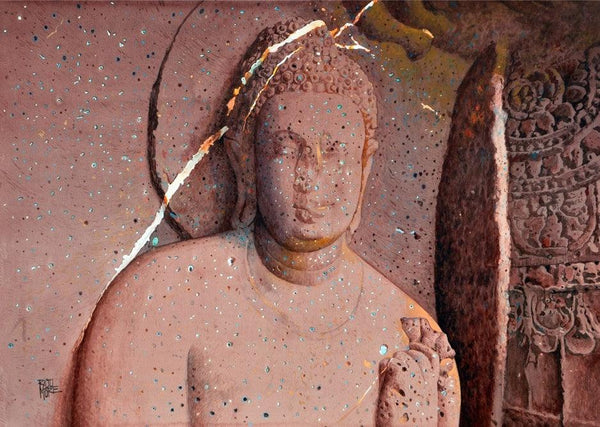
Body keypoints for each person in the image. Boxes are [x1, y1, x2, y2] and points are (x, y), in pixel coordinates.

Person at [72, 18, 459, 426]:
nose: (312, 176)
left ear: (365, 165)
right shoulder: (158, 298)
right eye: (288, 149)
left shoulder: (412, 339)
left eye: (335, 150)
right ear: (246, 161)